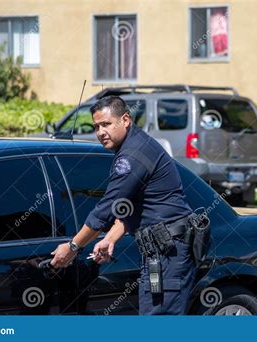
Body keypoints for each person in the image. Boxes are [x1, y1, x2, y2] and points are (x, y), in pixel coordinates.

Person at [50, 95, 196, 315]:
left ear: (125, 120)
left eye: (106, 124)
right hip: (163, 250)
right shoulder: (134, 145)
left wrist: (72, 247)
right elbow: (131, 206)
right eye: (96, 126)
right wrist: (110, 238)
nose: (100, 132)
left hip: (168, 252)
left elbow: (107, 207)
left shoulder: (132, 155)